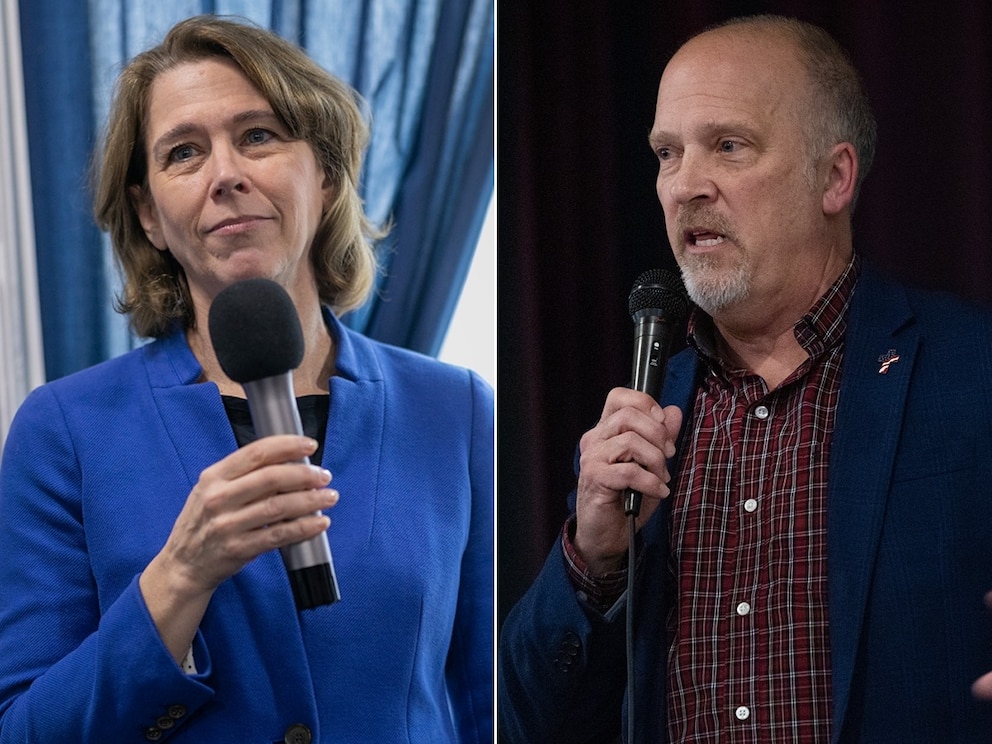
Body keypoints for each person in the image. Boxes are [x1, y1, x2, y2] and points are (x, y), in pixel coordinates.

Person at [498, 13, 992, 743]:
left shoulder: (969, 367)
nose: (686, 186)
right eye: (668, 154)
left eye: (728, 146)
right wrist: (591, 562)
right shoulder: (640, 421)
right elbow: (528, 720)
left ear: (834, 177)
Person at [0, 15, 492, 743]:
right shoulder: (64, 430)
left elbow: (491, 703)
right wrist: (180, 575)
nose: (226, 174)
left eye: (258, 136)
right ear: (150, 215)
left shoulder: (456, 410)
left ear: (324, 175)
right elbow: (25, 731)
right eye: (183, 152)